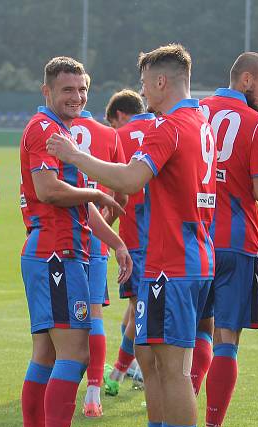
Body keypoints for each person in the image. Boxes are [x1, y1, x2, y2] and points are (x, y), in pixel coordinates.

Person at [47, 43, 215, 427]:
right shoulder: (202, 123)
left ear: (161, 82)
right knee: (158, 363)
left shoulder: (168, 126)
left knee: (171, 368)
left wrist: (73, 155)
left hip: (170, 264)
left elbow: (129, 180)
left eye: (144, 83)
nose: (142, 92)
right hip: (195, 256)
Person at [18, 56, 132, 427]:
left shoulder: (62, 134)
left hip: (63, 253)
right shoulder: (45, 130)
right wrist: (97, 190)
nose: (78, 97)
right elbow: (49, 191)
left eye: (82, 89)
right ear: (47, 92)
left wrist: (116, 243)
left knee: (47, 356)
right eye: (68, 90)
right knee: (75, 354)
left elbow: (80, 207)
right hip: (56, 255)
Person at [194, 51, 258, 427]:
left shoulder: (194, 112)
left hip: (194, 240)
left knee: (193, 336)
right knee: (227, 339)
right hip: (237, 243)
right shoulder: (256, 123)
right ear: (247, 80)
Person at [70, 89, 127, 418]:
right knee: (94, 314)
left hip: (57, 234)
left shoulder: (54, 131)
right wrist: (105, 224)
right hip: (93, 238)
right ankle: (93, 391)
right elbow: (122, 191)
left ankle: (60, 380)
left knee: (59, 317)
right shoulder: (108, 135)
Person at [103, 89, 155, 397]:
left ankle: (120, 372)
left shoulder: (119, 137)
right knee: (140, 305)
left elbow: (114, 195)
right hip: (169, 235)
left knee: (140, 307)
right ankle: (131, 366)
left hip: (136, 234)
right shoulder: (167, 126)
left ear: (120, 116)